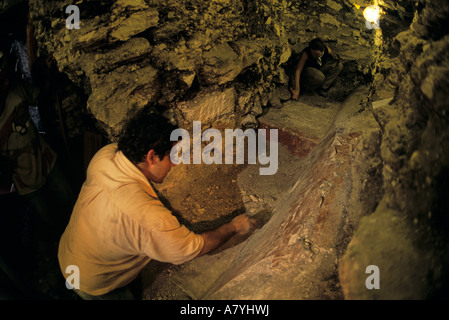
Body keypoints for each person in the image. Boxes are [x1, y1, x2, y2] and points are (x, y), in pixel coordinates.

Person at [58, 108, 256, 300]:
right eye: (171, 156)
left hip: (69, 254)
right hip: (93, 283)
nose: (175, 163)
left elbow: (136, 199)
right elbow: (195, 247)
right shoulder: (149, 218)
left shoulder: (105, 155)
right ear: (152, 156)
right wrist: (234, 226)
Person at [0, 50, 75, 239]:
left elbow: (41, 97)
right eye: (1, 82)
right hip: (22, 174)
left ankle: (82, 233)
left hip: (43, 155)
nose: (7, 82)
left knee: (68, 197)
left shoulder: (16, 90)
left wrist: (46, 74)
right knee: (48, 214)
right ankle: (65, 241)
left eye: (5, 77)